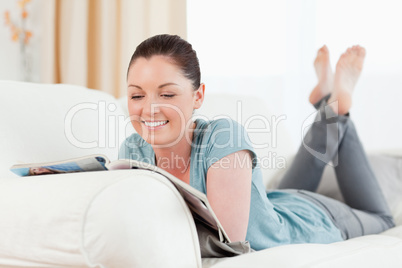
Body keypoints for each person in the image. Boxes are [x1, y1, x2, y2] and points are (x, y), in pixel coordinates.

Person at [119, 34, 395, 251]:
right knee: (277, 205)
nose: (149, 109)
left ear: (198, 97)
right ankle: (327, 102)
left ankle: (336, 110)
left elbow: (229, 245)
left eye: (166, 95)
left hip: (313, 218)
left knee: (383, 220)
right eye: (137, 96)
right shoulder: (132, 150)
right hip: (276, 203)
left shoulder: (223, 136)